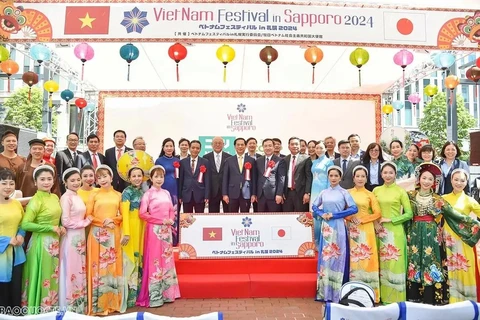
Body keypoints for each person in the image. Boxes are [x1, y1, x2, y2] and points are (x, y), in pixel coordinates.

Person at [21, 165, 65, 314]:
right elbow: (25, 224)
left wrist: (60, 226)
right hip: (40, 243)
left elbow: (56, 217)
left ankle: (50, 310)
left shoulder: (54, 197)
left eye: (49, 179)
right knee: (42, 275)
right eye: (42, 179)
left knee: (52, 275)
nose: (46, 182)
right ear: (35, 182)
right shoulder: (35, 200)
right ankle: (38, 311)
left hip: (54, 243)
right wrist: (49, 228)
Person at [312, 166, 358, 302]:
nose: (333, 178)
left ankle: (338, 292)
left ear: (340, 177)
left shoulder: (344, 193)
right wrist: (322, 214)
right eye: (331, 175)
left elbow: (354, 208)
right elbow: (314, 206)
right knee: (326, 256)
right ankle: (324, 291)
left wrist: (336, 215)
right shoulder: (323, 192)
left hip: (338, 225)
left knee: (338, 255)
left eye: (336, 176)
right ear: (328, 177)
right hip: (326, 228)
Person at [137, 165, 180, 307]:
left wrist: (171, 219)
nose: (159, 179)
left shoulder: (166, 193)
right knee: (155, 260)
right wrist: (161, 221)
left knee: (167, 259)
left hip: (166, 230)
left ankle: (168, 293)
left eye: (161, 176)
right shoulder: (148, 194)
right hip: (154, 230)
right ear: (151, 178)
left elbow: (172, 209)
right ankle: (155, 296)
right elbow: (143, 214)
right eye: (156, 176)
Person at [86, 165, 124, 315]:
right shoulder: (94, 195)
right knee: (98, 266)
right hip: (97, 234)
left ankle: (113, 302)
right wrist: (102, 222)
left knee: (112, 267)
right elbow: (88, 215)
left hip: (113, 232)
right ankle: (98, 304)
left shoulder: (118, 195)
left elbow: (122, 215)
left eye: (105, 176)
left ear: (111, 177)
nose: (102, 179)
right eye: (99, 177)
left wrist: (113, 219)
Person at [373, 162, 413, 304]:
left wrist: (391, 219)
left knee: (394, 263)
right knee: (382, 262)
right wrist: (376, 223)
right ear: (381, 174)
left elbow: (409, 214)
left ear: (395, 174)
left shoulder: (400, 191)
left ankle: (396, 298)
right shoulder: (376, 190)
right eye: (385, 172)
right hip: (379, 231)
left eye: (391, 172)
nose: (388, 175)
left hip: (395, 231)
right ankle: (381, 296)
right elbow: (372, 211)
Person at [442, 169, 480, 303]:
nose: (459, 183)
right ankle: (451, 298)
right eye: (456, 179)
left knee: (466, 267)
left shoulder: (470, 200)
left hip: (464, 240)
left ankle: (468, 299)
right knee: (450, 267)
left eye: (462, 180)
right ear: (451, 180)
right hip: (448, 239)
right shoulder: (443, 199)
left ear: (466, 182)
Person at [59, 168, 92, 314]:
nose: (76, 182)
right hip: (72, 237)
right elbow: (65, 221)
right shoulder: (66, 198)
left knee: (80, 267)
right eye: (72, 180)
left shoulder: (77, 196)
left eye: (78, 180)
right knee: (72, 268)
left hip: (80, 237)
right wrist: (85, 223)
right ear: (65, 182)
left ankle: (79, 304)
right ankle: (70, 305)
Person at [347, 165, 381, 302]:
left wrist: (362, 219)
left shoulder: (370, 194)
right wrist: (350, 217)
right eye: (358, 176)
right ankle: (352, 292)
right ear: (353, 178)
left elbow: (378, 213)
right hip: (352, 229)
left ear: (366, 179)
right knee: (353, 258)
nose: (360, 179)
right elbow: (343, 210)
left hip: (366, 229)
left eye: (363, 176)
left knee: (367, 258)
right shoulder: (347, 193)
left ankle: (371, 293)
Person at [0, 168, 26, 313]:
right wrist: (5, 240)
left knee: (15, 289)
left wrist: (21, 234)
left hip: (16, 254)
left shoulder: (16, 203)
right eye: (4, 183)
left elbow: (22, 223)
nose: (8, 187)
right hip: (2, 255)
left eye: (11, 183)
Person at [120, 167, 145, 309]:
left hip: (142, 226)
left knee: (139, 259)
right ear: (129, 178)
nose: (137, 178)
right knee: (131, 259)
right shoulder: (127, 192)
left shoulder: (142, 191)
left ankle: (138, 294)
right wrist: (127, 232)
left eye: (139, 175)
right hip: (131, 226)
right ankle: (129, 296)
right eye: (134, 176)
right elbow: (124, 213)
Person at [222, 138, 257, 213]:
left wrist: (253, 194)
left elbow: (254, 179)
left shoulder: (251, 160)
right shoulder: (229, 160)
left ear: (245, 146)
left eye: (242, 145)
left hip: (246, 193)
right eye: (238, 145)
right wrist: (225, 194)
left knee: (245, 215)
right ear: (235, 147)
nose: (240, 146)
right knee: (232, 216)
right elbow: (225, 178)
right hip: (232, 193)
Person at [309, 141, 333, 248]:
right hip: (314, 189)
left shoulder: (329, 162)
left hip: (323, 189)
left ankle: (323, 242)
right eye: (317, 148)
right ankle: (316, 241)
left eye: (321, 148)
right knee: (314, 215)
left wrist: (328, 192)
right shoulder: (314, 162)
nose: (318, 150)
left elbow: (330, 178)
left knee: (322, 215)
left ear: (325, 149)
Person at [179, 140, 210, 213]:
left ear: (200, 149)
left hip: (200, 195)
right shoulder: (183, 162)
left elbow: (207, 180)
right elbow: (181, 180)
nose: (195, 150)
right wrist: (180, 196)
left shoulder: (205, 162)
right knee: (187, 219)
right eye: (193, 148)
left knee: (200, 218)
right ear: (189, 148)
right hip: (186, 194)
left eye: (197, 148)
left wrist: (206, 196)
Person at [255, 138, 286, 212]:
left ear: (273, 147)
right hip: (260, 194)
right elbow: (256, 178)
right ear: (263, 147)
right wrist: (255, 193)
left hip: (273, 194)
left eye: (270, 146)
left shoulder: (280, 160)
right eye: (265, 146)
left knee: (273, 218)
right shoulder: (258, 160)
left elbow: (281, 179)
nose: (267, 148)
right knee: (261, 218)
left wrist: (279, 194)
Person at [203, 137, 231, 213]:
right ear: (211, 145)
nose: (217, 145)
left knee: (228, 213)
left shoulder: (229, 157)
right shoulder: (206, 158)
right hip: (212, 191)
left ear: (223, 145)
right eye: (215, 143)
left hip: (226, 191)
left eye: (220, 143)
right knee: (213, 215)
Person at [283, 137, 311, 212]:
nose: (294, 146)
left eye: (296, 144)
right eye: (292, 144)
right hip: (287, 193)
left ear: (300, 146)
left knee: (301, 217)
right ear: (289, 146)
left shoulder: (306, 158)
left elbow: (309, 177)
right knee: (287, 216)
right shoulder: (285, 159)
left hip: (300, 193)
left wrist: (307, 193)